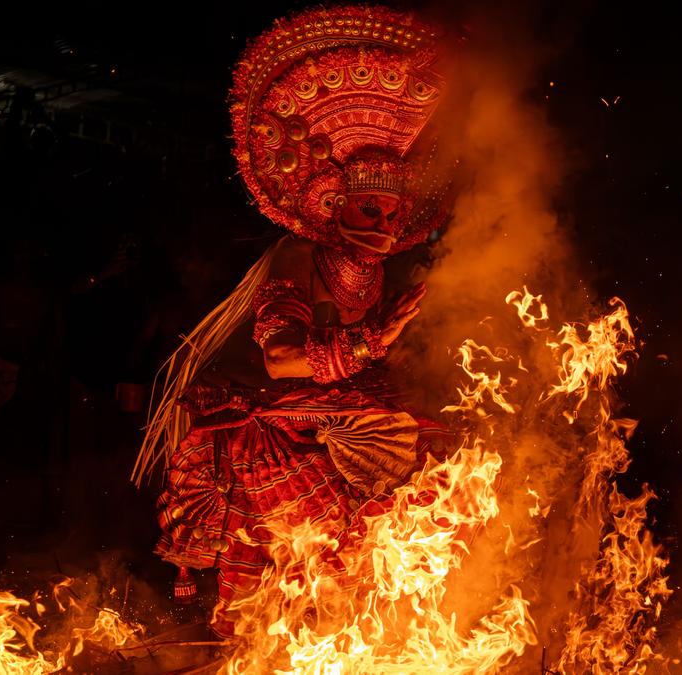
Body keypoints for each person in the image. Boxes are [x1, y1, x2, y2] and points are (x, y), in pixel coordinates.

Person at [132, 5, 455, 637]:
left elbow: (371, 361)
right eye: (369, 207)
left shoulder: (379, 270)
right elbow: (282, 359)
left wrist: (403, 358)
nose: (385, 224)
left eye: (393, 212)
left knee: (433, 458)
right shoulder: (298, 254)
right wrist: (370, 341)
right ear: (335, 206)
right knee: (315, 523)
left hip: (342, 412)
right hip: (272, 419)